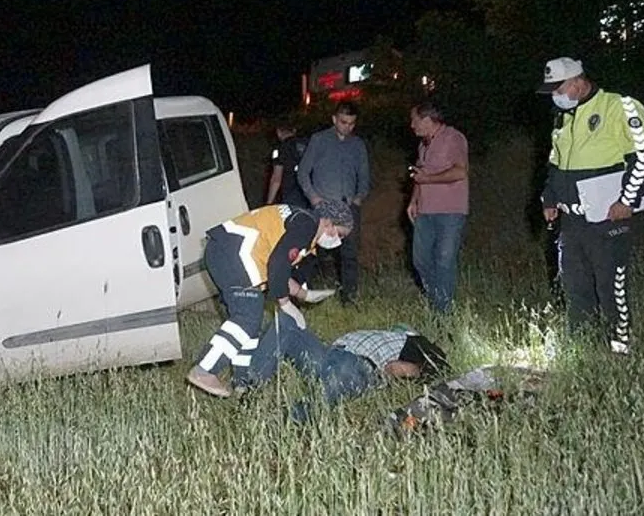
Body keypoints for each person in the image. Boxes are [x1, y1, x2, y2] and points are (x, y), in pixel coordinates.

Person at [536, 57, 644, 355]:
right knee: (574, 287)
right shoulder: (563, 118)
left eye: (560, 88)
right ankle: (583, 349)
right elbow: (555, 163)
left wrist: (627, 200)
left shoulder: (619, 106)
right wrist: (550, 197)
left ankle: (621, 349)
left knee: (611, 286)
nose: (556, 96)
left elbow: (643, 156)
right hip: (572, 221)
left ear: (578, 82)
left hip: (607, 217)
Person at [185, 200, 356, 398]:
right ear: (328, 222)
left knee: (251, 321)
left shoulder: (302, 224)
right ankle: (205, 370)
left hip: (225, 251)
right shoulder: (307, 225)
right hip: (233, 253)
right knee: (247, 317)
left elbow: (279, 269)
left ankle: (242, 383)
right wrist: (285, 303)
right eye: (339, 234)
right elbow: (277, 263)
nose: (338, 241)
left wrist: (303, 294)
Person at [239, 312, 450, 421]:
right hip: (332, 357)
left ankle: (278, 419)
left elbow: (401, 368)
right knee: (284, 323)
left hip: (358, 366)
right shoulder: (390, 337)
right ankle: (252, 391)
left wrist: (402, 372)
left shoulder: (415, 343)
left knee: (335, 381)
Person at [296, 102, 371, 304]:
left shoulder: (357, 144)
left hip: (348, 206)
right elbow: (303, 172)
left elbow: (364, 174)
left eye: (352, 123)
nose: (348, 127)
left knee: (350, 253)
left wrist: (359, 197)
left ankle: (349, 297)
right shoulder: (319, 140)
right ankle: (307, 293)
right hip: (323, 205)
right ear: (334, 119)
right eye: (344, 122)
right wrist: (313, 197)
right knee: (315, 250)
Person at [407, 102, 469, 313]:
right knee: (420, 260)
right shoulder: (423, 145)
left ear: (427, 120)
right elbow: (420, 175)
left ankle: (443, 311)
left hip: (450, 211)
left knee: (444, 260)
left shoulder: (454, 138)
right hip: (425, 210)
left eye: (414, 120)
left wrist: (428, 179)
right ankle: (437, 301)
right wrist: (413, 200)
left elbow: (460, 172)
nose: (412, 125)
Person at [265, 122, 310, 207]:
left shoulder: (279, 149)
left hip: (291, 196)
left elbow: (276, 179)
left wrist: (269, 202)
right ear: (294, 130)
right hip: (310, 195)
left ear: (278, 132)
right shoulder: (308, 144)